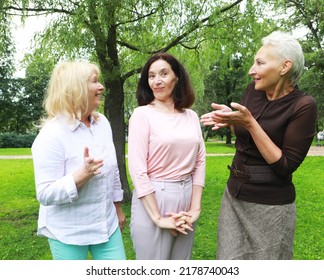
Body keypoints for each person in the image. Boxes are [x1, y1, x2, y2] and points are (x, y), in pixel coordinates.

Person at [201, 31, 317, 260]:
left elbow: (285, 165)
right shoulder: (252, 91)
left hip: (271, 207)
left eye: (260, 63)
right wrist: (231, 120)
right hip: (234, 197)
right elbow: (243, 135)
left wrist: (250, 123)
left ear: (285, 67)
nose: (251, 70)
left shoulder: (304, 105)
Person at [32, 61, 126, 260]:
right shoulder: (51, 135)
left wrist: (117, 208)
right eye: (94, 82)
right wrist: (82, 175)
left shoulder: (103, 124)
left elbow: (113, 169)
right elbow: (45, 193)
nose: (101, 87)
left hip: (106, 226)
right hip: (68, 233)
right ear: (76, 89)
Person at [128, 52, 206, 260]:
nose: (157, 81)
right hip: (154, 197)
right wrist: (158, 218)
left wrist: (194, 209)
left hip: (187, 197)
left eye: (163, 73)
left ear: (176, 77)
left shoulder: (191, 116)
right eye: (151, 76)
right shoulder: (142, 115)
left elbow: (199, 162)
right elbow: (137, 169)